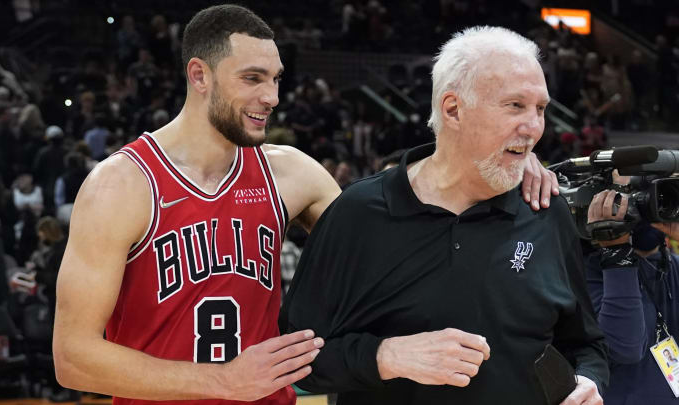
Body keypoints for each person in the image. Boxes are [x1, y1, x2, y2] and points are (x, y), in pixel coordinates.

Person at [53, 7, 559, 405]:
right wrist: (223, 381)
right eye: (252, 78)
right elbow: (72, 359)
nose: (271, 95)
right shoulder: (121, 185)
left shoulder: (290, 172)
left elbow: (399, 223)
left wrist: (503, 163)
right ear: (199, 75)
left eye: (276, 78)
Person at [281, 26, 607, 405]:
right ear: (453, 109)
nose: (534, 127)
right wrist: (385, 357)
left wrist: (588, 380)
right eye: (515, 106)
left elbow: (586, 344)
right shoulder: (360, 213)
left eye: (540, 109)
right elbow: (294, 357)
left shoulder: (544, 211)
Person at [585, 187, 679, 404]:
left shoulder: (668, 265)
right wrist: (617, 255)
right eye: (627, 194)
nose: (644, 203)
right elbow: (626, 349)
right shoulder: (587, 271)